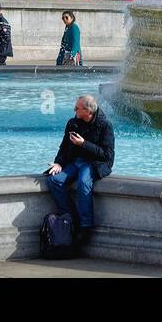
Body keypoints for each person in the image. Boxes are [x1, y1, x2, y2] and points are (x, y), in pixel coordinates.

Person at [45, 95, 115, 246]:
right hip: (75, 162)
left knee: (84, 182)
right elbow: (64, 146)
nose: (74, 110)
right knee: (53, 180)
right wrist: (58, 163)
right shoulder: (73, 123)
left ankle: (85, 226)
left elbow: (107, 155)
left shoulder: (105, 125)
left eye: (77, 108)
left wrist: (84, 144)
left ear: (88, 111)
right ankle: (72, 218)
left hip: (94, 163)